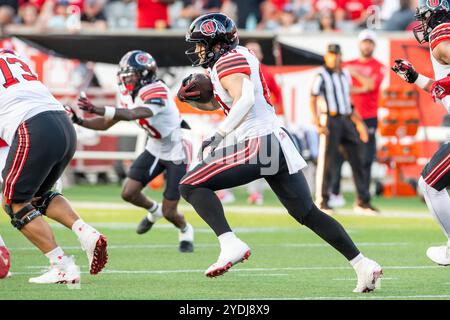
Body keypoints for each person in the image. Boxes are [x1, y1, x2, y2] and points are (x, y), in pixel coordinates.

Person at [177, 12, 382, 292]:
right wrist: (198, 103)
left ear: (217, 43)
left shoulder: (229, 59)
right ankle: (363, 264)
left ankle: (230, 242)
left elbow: (245, 99)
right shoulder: (232, 59)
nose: (198, 50)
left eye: (202, 43)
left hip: (260, 143)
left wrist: (219, 134)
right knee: (307, 212)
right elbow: (230, 102)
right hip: (275, 143)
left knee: (190, 184)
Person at [0, 49, 108, 284]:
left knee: (13, 202)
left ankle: (62, 266)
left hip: (31, 126)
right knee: (39, 195)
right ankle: (86, 233)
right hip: (62, 122)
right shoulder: (9, 55)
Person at [70, 50, 195, 253]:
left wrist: (98, 108)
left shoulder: (157, 90)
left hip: (176, 150)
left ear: (144, 74)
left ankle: (185, 229)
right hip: (155, 146)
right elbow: (106, 124)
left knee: (170, 211)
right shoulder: (129, 94)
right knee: (128, 193)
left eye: (131, 74)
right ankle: (153, 211)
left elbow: (134, 113)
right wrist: (80, 120)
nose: (126, 79)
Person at [392, 0, 450, 265]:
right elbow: (441, 86)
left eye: (425, 16)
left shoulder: (441, 34)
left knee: (430, 184)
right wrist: (415, 78)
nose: (423, 23)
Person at [310, 43, 377, 215]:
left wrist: (360, 123)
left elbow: (348, 103)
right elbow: (313, 98)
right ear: (327, 56)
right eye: (331, 54)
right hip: (329, 118)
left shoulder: (345, 74)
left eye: (337, 55)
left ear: (341, 56)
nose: (334, 58)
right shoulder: (321, 75)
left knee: (358, 159)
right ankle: (322, 201)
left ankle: (363, 201)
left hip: (346, 120)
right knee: (327, 161)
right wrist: (317, 121)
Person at [330, 29, 386, 208]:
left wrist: (354, 74)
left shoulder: (378, 66)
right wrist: (358, 87)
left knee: (366, 158)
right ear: (360, 44)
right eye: (364, 42)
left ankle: (362, 198)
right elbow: (339, 87)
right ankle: (334, 193)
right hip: (348, 117)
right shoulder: (347, 64)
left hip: (368, 117)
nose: (367, 45)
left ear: (374, 45)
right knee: (338, 156)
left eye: (370, 42)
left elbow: (370, 85)